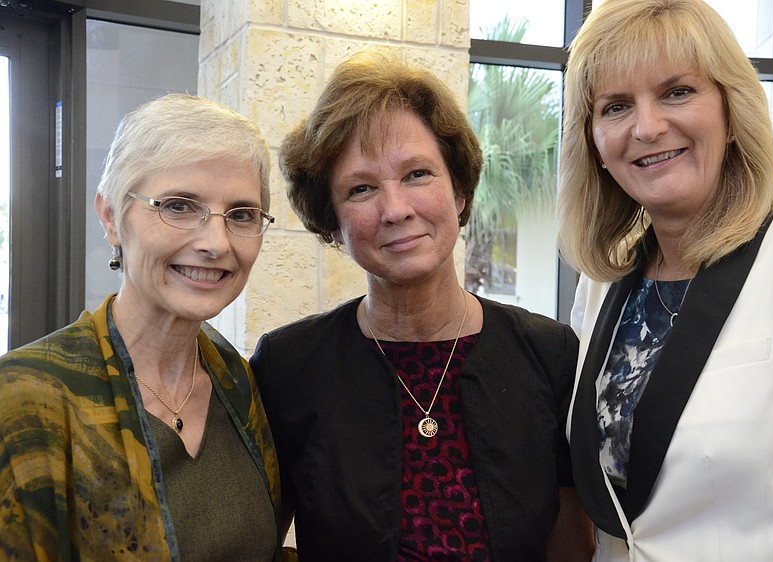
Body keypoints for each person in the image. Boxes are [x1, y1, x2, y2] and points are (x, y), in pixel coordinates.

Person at [251, 51, 594, 562]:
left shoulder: (549, 354)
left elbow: (572, 547)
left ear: (459, 191)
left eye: (417, 174)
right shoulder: (289, 367)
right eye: (361, 188)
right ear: (332, 222)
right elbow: (257, 543)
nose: (395, 209)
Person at [557, 0, 773, 560]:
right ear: (593, 143)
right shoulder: (602, 284)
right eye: (616, 106)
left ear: (732, 113)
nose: (647, 127)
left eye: (677, 92)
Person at [0, 93, 285, 561]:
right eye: (178, 206)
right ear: (111, 217)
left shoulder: (240, 382)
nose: (216, 243)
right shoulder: (25, 397)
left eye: (241, 215)